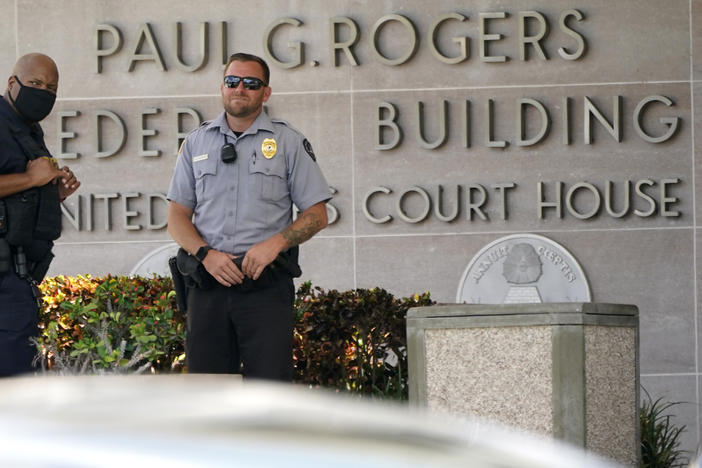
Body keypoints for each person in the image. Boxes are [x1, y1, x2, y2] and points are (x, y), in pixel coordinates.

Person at [167, 52, 331, 381]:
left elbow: (317, 213)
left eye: (251, 83)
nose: (239, 88)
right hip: (208, 284)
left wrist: (274, 244)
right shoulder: (196, 142)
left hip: (265, 287)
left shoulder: (288, 142)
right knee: (207, 390)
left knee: (270, 392)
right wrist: (205, 254)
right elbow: (176, 216)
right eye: (232, 81)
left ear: (265, 93)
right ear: (222, 88)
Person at [0, 53, 80, 377]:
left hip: (17, 278)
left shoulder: (26, 129)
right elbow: (26, 179)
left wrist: (52, 192)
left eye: (51, 87)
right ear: (12, 83)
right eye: (34, 83)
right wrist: (33, 179)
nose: (42, 92)